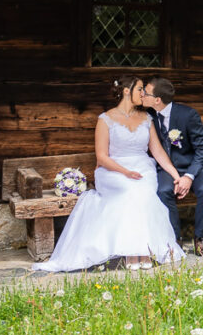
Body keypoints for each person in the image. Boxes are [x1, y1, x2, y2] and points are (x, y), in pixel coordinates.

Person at [34, 76, 185, 272]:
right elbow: (102, 157)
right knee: (129, 190)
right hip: (113, 170)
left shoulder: (147, 119)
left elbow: (158, 152)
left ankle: (144, 250)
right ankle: (132, 252)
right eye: (140, 89)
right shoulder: (105, 119)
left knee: (143, 193)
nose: (143, 94)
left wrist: (176, 175)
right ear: (126, 91)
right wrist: (126, 172)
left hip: (142, 169)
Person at [142, 77, 203, 256]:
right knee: (163, 191)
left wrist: (189, 177)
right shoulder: (148, 116)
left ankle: (200, 237)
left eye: (146, 93)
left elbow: (202, 149)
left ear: (157, 100)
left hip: (194, 167)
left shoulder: (188, 115)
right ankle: (175, 238)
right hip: (167, 168)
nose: (142, 95)